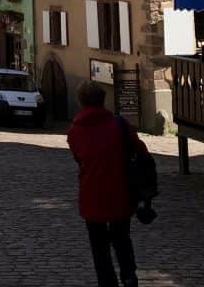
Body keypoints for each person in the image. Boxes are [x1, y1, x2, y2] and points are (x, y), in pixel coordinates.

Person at [67, 80, 147, 287]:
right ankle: (129, 276)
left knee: (99, 246)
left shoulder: (75, 130)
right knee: (122, 239)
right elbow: (140, 150)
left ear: (81, 102)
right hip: (120, 191)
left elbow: (79, 157)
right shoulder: (119, 124)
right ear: (103, 100)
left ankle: (107, 282)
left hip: (92, 193)